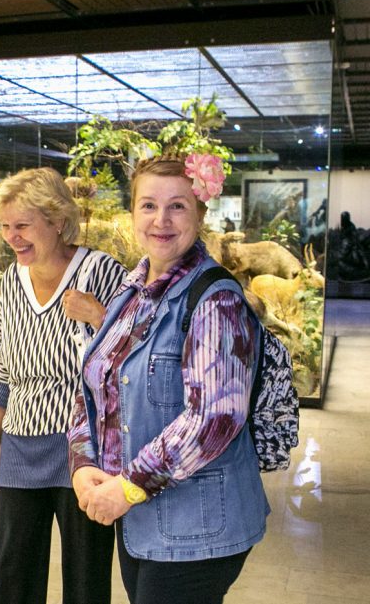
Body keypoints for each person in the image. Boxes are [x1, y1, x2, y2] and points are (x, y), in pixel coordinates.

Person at [67, 155, 268, 604]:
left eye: (177, 206)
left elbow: (215, 418)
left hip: (195, 527)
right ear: (132, 213)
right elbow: (96, 384)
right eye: (148, 205)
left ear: (200, 213)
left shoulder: (215, 300)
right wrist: (82, 464)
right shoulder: (130, 290)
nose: (161, 220)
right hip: (140, 518)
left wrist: (128, 485)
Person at [0, 168, 125, 604]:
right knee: (13, 569)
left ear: (58, 220)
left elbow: (137, 353)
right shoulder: (11, 278)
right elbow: (3, 360)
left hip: (83, 447)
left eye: (23, 225)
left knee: (86, 573)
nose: (13, 237)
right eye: (5, 226)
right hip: (21, 440)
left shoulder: (100, 271)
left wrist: (100, 317)